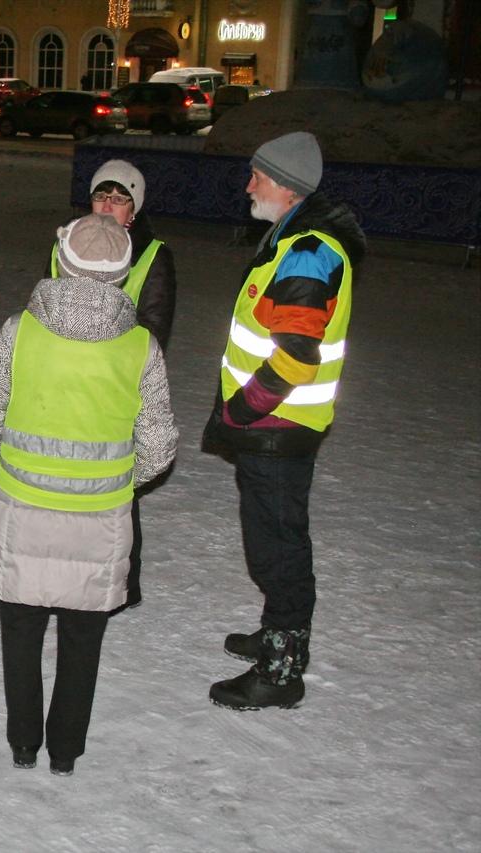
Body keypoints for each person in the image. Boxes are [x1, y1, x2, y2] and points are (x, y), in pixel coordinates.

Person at [0, 214, 178, 775]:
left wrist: (11, 471)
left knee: (21, 632)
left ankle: (23, 743)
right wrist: (114, 482)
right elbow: (159, 445)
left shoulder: (20, 331)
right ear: (122, 276)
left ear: (61, 263)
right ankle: (65, 752)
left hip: (22, 513)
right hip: (101, 520)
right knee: (83, 640)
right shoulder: (140, 348)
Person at [203, 131, 365, 710]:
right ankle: (278, 632)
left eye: (257, 176)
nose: (248, 185)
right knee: (272, 538)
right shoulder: (292, 239)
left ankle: (281, 669)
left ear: (287, 186)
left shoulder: (308, 253)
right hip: (277, 427)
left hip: (278, 427)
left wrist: (243, 410)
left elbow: (296, 353)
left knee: (278, 546)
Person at [50, 159, 176, 609]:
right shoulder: (67, 243)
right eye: (102, 196)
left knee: (117, 487)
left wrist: (112, 366)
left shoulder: (152, 255)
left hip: (117, 385)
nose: (108, 206)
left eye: (120, 200)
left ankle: (125, 582)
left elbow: (154, 328)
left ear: (134, 211)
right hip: (64, 381)